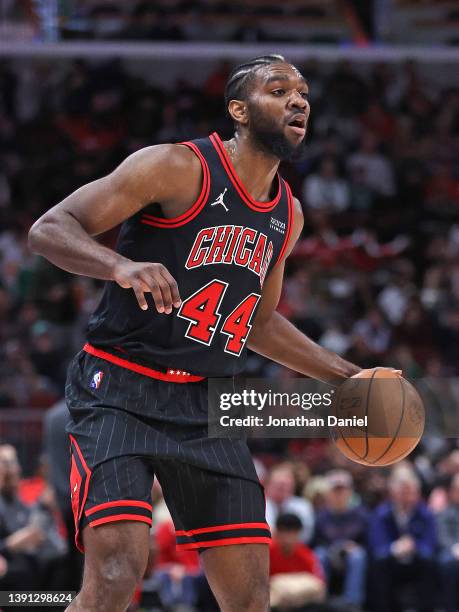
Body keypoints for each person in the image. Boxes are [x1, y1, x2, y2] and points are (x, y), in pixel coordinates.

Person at [29, 54, 399, 612]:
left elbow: (258, 322)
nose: (298, 100)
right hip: (119, 390)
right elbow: (49, 228)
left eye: (302, 93)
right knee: (114, 576)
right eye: (278, 91)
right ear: (239, 110)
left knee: (250, 597)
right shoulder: (176, 167)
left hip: (208, 404)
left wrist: (347, 376)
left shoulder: (287, 214)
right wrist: (118, 267)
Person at [368, 471, 437, 612]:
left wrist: (414, 546)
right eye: (403, 492)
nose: (407, 497)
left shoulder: (426, 514)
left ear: (417, 493)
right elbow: (377, 547)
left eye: (410, 492)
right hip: (391, 561)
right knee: (379, 563)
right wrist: (395, 548)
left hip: (416, 560)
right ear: (393, 493)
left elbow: (431, 544)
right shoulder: (381, 513)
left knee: (429, 560)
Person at [313, 470, 368, 608]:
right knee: (319, 555)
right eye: (335, 490)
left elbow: (368, 542)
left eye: (343, 490)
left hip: (352, 554)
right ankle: (319, 600)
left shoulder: (361, 514)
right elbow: (315, 541)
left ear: (350, 492)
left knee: (358, 556)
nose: (339, 494)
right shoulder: (321, 516)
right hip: (329, 552)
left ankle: (352, 603)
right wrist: (332, 548)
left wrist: (354, 546)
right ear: (328, 493)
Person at [269, 513, 325, 610]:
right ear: (276, 533)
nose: (288, 538)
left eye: (292, 532)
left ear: (299, 534)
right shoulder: (267, 553)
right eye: (284, 532)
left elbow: (319, 586)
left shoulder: (306, 555)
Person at [437, 474, 459, 612]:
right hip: (452, 551)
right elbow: (442, 536)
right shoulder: (445, 512)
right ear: (451, 492)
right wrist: (454, 548)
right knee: (446, 563)